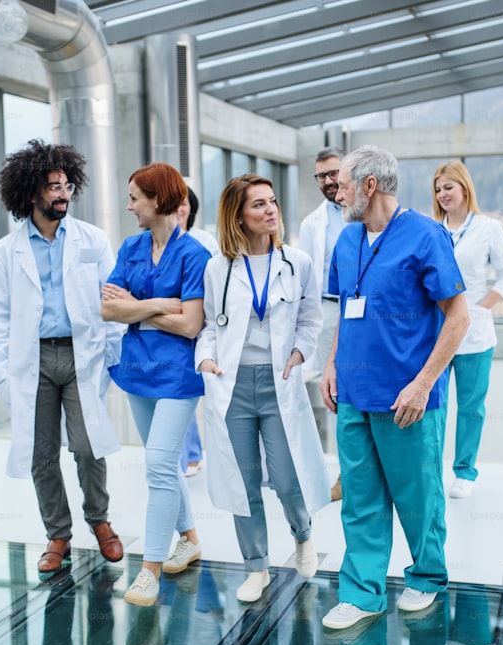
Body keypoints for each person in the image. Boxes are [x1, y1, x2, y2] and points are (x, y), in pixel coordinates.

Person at [319, 145, 469, 631]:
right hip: (354, 396)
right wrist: (331, 364)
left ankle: (427, 577)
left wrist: (424, 383)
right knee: (360, 500)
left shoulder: (426, 237)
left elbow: (458, 318)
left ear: (369, 186)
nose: (335, 192)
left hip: (408, 398)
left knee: (418, 497)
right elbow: (347, 307)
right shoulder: (346, 241)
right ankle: (362, 592)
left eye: (341, 184)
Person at [0, 139, 125, 578]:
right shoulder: (6, 252)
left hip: (82, 355)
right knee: (40, 453)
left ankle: (99, 520)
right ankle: (57, 535)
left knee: (88, 445)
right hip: (33, 362)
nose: (63, 194)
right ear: (30, 193)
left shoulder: (92, 240)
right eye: (52, 187)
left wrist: (111, 354)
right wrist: (5, 375)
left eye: (66, 185)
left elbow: (113, 301)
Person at [195, 174, 330, 603]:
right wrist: (205, 359)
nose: (270, 210)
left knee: (288, 478)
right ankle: (256, 567)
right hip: (231, 386)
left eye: (272, 202)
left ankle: (303, 536)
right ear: (238, 215)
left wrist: (299, 354)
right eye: (258, 205)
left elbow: (311, 320)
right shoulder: (219, 267)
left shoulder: (298, 262)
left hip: (280, 384)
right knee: (244, 481)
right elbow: (209, 327)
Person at [100, 162, 212, 606]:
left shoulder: (195, 254)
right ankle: (191, 538)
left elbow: (189, 327)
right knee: (162, 464)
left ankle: (149, 569)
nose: (129, 206)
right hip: (137, 370)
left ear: (159, 198)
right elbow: (108, 310)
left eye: (134, 198)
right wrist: (159, 303)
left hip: (178, 375)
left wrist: (137, 306)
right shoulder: (131, 247)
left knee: (160, 465)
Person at [432, 161, 503, 499]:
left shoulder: (488, 228)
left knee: (470, 407)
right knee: (433, 404)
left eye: (448, 187)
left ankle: (465, 471)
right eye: (438, 189)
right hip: (436, 333)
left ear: (465, 188)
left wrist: (481, 308)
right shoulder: (431, 229)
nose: (442, 194)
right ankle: (429, 468)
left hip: (475, 335)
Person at [297, 146, 346, 501]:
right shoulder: (313, 222)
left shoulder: (362, 210)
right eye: (322, 176)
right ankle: (346, 474)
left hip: (368, 310)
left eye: (334, 173)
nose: (328, 181)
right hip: (330, 310)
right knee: (334, 389)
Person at [176, 187, 218, 478]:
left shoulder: (205, 242)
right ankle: (189, 454)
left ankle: (206, 454)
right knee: (179, 393)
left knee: (205, 393)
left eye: (184, 204)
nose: (179, 209)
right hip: (174, 331)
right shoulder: (151, 244)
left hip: (204, 329)